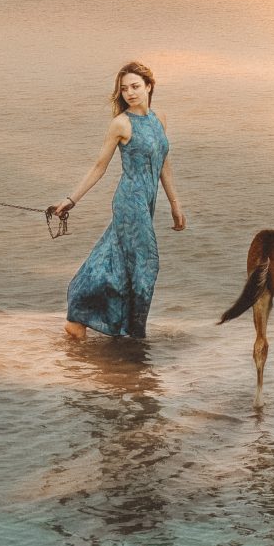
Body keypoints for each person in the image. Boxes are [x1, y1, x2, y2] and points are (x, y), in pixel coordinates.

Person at [55, 61, 186, 339]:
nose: (130, 93)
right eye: (124, 88)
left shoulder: (158, 118)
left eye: (136, 86)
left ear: (149, 86)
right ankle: (135, 335)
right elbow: (99, 167)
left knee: (112, 260)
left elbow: (164, 162)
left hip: (147, 203)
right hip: (129, 203)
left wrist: (175, 203)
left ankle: (79, 319)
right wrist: (71, 199)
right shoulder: (121, 123)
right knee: (146, 265)